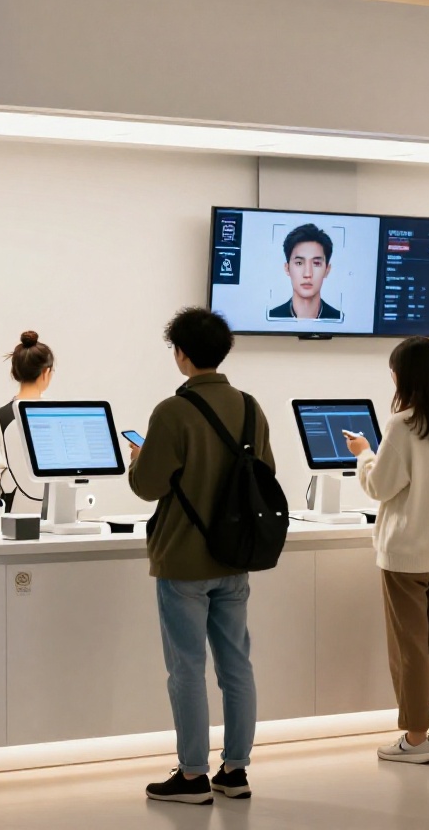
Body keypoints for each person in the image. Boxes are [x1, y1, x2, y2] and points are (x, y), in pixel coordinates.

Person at [129, 308, 271, 805]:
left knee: (186, 668)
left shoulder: (173, 412)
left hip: (183, 560)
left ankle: (191, 775)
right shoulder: (250, 407)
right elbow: (264, 475)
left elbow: (148, 486)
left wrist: (136, 463)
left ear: (182, 354)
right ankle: (235, 770)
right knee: (237, 665)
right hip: (235, 560)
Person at [345, 335, 429, 765]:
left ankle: (415, 739)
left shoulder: (402, 425)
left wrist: (364, 454)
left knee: (411, 648)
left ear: (403, 376)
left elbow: (380, 486)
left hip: (405, 556)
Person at [0, 331, 54, 514]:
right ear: (46, 373)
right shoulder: (57, 414)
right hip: (55, 510)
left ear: (15, 372)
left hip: (13, 513)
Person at [268, 224, 342, 321]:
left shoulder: (338, 319)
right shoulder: (273, 317)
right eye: (299, 263)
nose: (307, 274)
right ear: (287, 268)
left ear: (327, 270)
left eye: (316, 263)